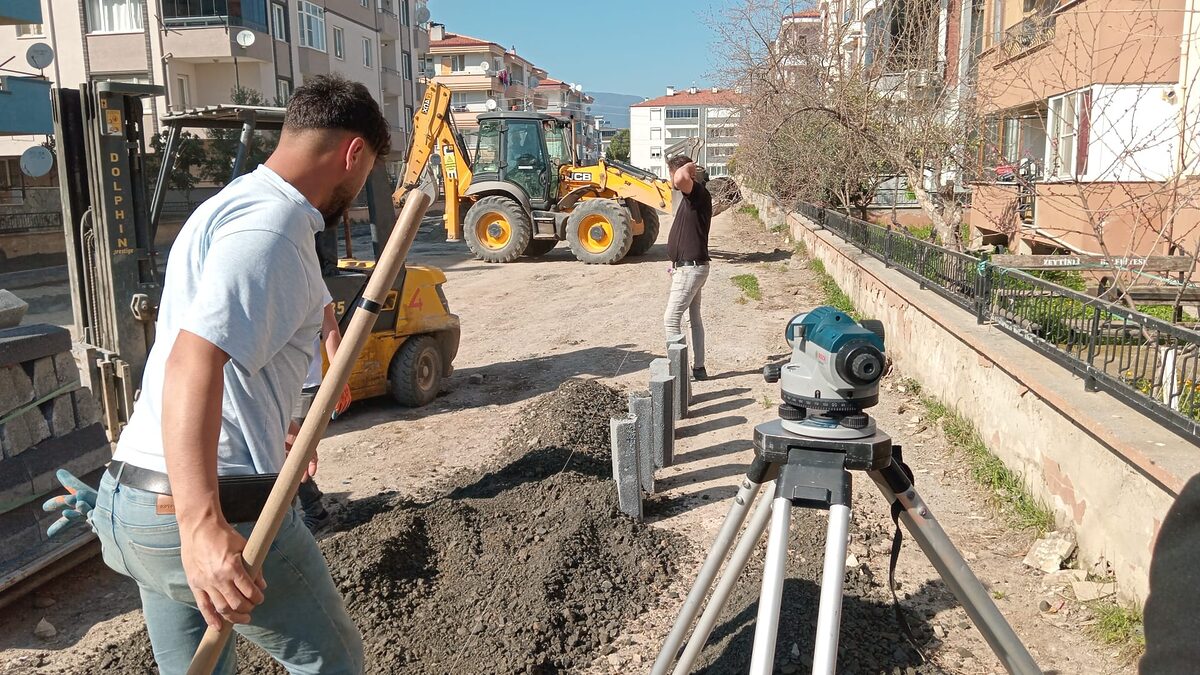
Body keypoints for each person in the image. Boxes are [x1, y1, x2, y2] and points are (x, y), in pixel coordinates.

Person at [85, 74, 388, 674]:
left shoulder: (232, 207)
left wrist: (321, 321)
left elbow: (246, 306)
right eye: (366, 171)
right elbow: (193, 359)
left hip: (135, 502)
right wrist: (201, 527)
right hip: (211, 505)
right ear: (353, 152)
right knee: (333, 660)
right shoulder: (270, 231)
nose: (358, 188)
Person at [663, 154, 713, 381]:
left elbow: (681, 178)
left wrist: (689, 167)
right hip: (690, 267)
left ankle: (679, 373)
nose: (671, 180)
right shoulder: (692, 197)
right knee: (694, 319)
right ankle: (698, 368)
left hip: (691, 268)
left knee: (671, 319)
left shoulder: (697, 193)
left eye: (670, 173)